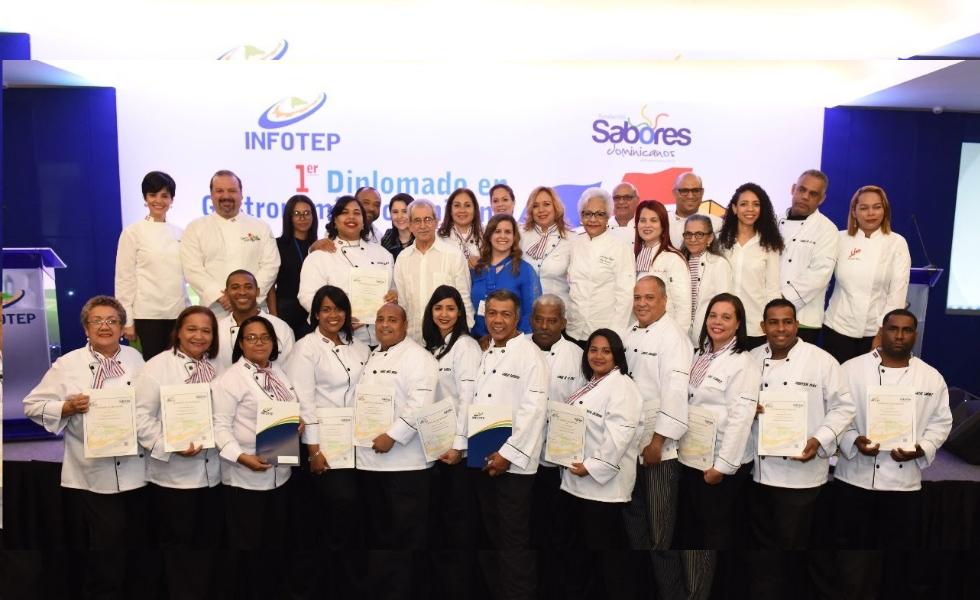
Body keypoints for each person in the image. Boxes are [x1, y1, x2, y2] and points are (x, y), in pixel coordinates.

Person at [22, 296, 146, 595]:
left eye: (112, 321)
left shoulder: (136, 359)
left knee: (134, 542)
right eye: (97, 321)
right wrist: (66, 407)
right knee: (106, 546)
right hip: (92, 472)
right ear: (85, 328)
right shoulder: (68, 364)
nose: (105, 326)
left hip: (137, 469)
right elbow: (32, 405)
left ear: (122, 327)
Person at [745, 298, 855, 598]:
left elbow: (844, 408)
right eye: (774, 322)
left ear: (796, 324)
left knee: (791, 554)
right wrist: (748, 408)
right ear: (763, 326)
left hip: (801, 475)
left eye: (787, 322)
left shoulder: (822, 361)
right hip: (757, 472)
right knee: (761, 553)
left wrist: (819, 439)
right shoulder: (750, 359)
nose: (781, 329)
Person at [834, 309, 952, 549]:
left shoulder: (931, 377)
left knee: (896, 552)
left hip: (904, 482)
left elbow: (941, 422)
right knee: (850, 552)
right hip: (854, 478)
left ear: (915, 335)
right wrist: (853, 439)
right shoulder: (851, 370)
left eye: (907, 330)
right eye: (893, 329)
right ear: (881, 332)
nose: (899, 336)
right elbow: (835, 414)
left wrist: (922, 448)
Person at [284, 285, 368, 597]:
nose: (334, 315)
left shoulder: (359, 347)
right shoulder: (306, 348)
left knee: (353, 516)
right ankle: (323, 584)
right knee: (337, 508)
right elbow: (304, 402)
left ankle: (347, 583)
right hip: (325, 447)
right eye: (326, 309)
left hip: (358, 445)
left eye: (339, 308)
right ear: (316, 314)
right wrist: (314, 450)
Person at [133, 306, 222, 598]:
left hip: (214, 475)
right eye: (192, 329)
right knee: (177, 551)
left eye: (206, 330)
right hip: (173, 477)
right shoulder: (157, 367)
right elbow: (140, 418)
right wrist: (169, 444)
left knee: (207, 546)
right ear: (179, 332)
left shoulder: (217, 368)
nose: (199, 336)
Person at [469, 290, 549, 600]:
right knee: (492, 539)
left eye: (505, 314)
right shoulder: (486, 350)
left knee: (513, 543)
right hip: (484, 458)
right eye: (492, 313)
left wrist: (507, 455)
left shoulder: (530, 355)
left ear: (518, 318)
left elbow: (534, 411)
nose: (497, 320)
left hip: (513, 466)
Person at [355, 303, 439, 597]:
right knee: (379, 539)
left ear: (405, 325)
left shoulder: (418, 358)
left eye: (392, 319)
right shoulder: (373, 355)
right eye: (380, 319)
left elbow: (420, 403)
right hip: (371, 464)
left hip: (406, 467)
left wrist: (393, 435)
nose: (385, 325)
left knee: (405, 542)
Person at [556, 328, 642, 600]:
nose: (598, 356)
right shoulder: (591, 382)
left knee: (608, 563)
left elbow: (619, 437)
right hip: (577, 484)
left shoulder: (623, 387)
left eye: (606, 351)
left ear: (617, 355)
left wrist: (591, 467)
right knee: (580, 560)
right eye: (593, 350)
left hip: (603, 489)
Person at [677, 293, 759, 551]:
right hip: (695, 456)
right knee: (695, 531)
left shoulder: (743, 363)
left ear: (738, 324)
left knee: (715, 533)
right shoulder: (700, 354)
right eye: (713, 315)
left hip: (719, 463)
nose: (717, 322)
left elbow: (741, 419)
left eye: (726, 317)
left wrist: (722, 467)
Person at [212, 315, 300, 553]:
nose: (259, 342)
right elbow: (219, 426)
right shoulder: (229, 379)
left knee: (275, 544)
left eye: (265, 337)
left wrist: (296, 422)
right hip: (245, 479)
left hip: (281, 475)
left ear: (273, 342)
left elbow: (287, 409)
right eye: (251, 337)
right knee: (248, 546)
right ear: (241, 343)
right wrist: (242, 457)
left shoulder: (278, 371)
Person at [622, 276, 693, 555]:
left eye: (649, 297)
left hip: (659, 449)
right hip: (632, 442)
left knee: (659, 526)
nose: (642, 303)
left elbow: (676, 393)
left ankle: (663, 578)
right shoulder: (630, 332)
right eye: (637, 297)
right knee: (634, 516)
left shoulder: (673, 338)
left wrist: (657, 442)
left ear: (664, 300)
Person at [421, 285, 482, 595]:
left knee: (459, 526)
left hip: (458, 453)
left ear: (460, 313)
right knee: (441, 523)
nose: (443, 314)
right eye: (438, 308)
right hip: (435, 448)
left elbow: (469, 398)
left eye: (450, 308)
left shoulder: (465, 346)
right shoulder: (431, 347)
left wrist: (459, 445)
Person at [824, 185, 911, 364]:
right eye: (864, 208)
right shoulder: (839, 238)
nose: (871, 213)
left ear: (885, 210)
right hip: (837, 328)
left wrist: (882, 333)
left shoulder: (897, 242)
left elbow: (897, 293)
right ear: (854, 212)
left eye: (877, 207)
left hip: (875, 331)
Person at [526, 294, 585, 552]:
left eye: (551, 321)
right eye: (539, 320)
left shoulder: (578, 356)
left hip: (559, 460)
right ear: (531, 320)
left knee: (558, 528)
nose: (544, 326)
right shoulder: (517, 349)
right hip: (522, 455)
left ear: (563, 323)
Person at [180, 169, 280, 319]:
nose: (226, 196)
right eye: (219, 191)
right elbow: (192, 269)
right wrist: (220, 296)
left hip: (255, 310)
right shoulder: (195, 228)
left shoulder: (261, 227)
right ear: (211, 195)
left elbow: (271, 265)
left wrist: (248, 296)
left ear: (241, 194)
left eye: (232, 191)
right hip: (215, 311)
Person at [297, 195, 396, 346]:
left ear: (363, 222)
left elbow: (393, 288)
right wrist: (337, 319)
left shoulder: (383, 254)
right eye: (344, 212)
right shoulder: (319, 256)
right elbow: (307, 296)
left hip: (380, 339)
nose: (351, 217)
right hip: (337, 339)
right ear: (335, 222)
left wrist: (393, 296)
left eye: (357, 213)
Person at [114, 170, 190, 359]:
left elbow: (183, 277)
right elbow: (124, 278)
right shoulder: (132, 232)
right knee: (152, 368)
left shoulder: (180, 234)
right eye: (153, 195)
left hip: (178, 314)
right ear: (145, 198)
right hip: (147, 316)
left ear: (172, 199)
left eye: (164, 195)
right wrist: (127, 320)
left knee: (177, 366)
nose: (158, 200)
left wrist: (188, 311)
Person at [394, 199, 474, 343]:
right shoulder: (402, 259)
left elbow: (464, 300)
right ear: (410, 225)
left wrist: (464, 337)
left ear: (436, 222)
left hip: (447, 342)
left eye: (428, 219)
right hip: (413, 341)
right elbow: (402, 304)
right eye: (417, 221)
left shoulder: (453, 255)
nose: (423, 225)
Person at [716, 183, 784, 348]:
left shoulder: (769, 245)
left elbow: (773, 289)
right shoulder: (720, 241)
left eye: (756, 204)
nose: (750, 209)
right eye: (744, 204)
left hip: (755, 325)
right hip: (722, 324)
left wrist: (773, 322)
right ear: (734, 208)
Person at [778, 169, 839, 344]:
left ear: (822, 199)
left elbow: (820, 274)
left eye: (813, 194)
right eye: (802, 190)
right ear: (793, 189)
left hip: (804, 319)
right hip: (768, 314)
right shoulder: (774, 221)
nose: (805, 197)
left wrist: (782, 302)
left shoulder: (827, 229)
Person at [566, 187, 635, 342]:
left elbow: (625, 295)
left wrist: (614, 334)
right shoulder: (575, 244)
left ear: (608, 216)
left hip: (604, 333)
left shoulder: (620, 248)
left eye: (600, 214)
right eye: (588, 214)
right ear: (581, 216)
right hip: (574, 329)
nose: (593, 219)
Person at [470, 214, 542, 338]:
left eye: (508, 232)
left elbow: (531, 313)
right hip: (477, 341)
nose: (502, 236)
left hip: (512, 343)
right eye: (497, 231)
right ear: (489, 235)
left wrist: (516, 342)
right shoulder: (476, 268)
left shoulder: (525, 270)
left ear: (514, 237)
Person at [216, 270, 294, 371]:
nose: (242, 292)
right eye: (235, 287)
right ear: (226, 293)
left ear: (257, 291)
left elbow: (289, 369)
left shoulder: (280, 327)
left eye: (248, 287)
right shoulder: (218, 329)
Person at [634, 199, 693, 332]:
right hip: (640, 331)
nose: (647, 225)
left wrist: (677, 338)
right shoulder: (635, 256)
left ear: (663, 225)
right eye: (642, 220)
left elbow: (683, 307)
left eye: (653, 220)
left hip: (666, 332)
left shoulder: (673, 258)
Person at [267, 194, 318, 341]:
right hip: (286, 311)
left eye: (307, 213)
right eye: (296, 214)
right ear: (289, 217)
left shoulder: (318, 246)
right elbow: (270, 285)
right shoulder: (278, 245)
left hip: (312, 313)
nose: (303, 218)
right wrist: (274, 317)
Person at [682, 214, 734, 344]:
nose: (693, 239)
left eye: (699, 234)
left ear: (710, 238)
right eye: (688, 234)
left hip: (707, 335)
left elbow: (724, 305)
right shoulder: (678, 262)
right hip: (680, 334)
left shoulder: (719, 263)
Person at [520, 186, 573, 309]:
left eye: (546, 204)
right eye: (535, 206)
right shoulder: (520, 236)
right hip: (526, 310)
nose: (541, 210)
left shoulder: (572, 239)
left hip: (558, 312)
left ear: (556, 207)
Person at [668, 172, 722, 249]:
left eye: (695, 191)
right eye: (684, 191)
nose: (690, 196)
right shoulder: (662, 222)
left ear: (702, 193)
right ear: (674, 193)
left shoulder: (717, 224)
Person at [438, 187, 484, 268]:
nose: (462, 210)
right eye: (457, 205)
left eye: (467, 205)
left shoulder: (486, 235)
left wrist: (483, 263)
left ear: (475, 210)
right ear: (450, 210)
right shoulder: (438, 238)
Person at [380, 193, 415, 260]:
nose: (399, 216)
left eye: (405, 211)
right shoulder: (387, 238)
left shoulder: (421, 238)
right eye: (395, 212)